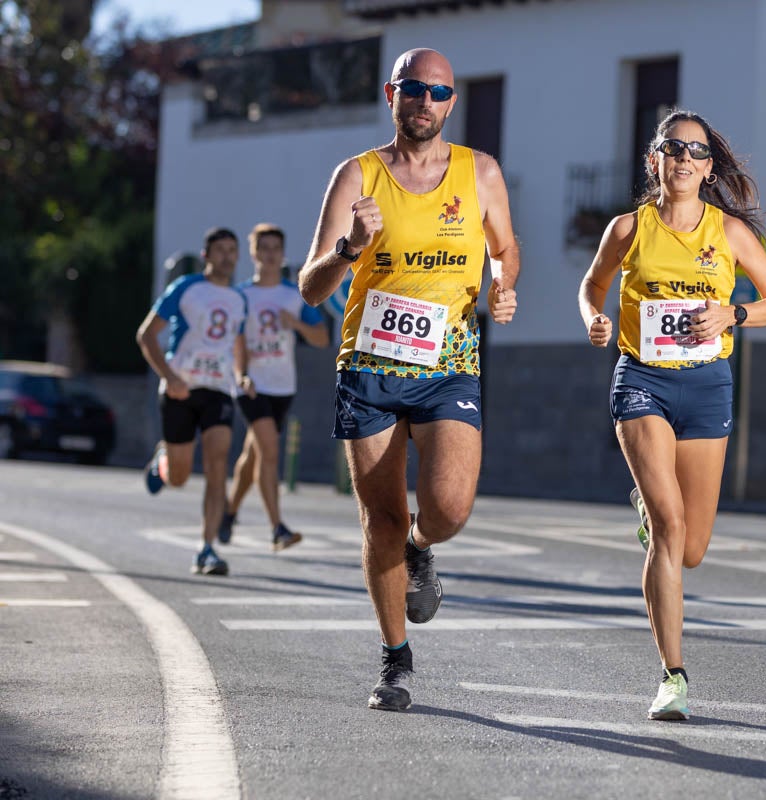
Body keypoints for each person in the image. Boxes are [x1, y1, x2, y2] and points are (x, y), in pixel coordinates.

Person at [298, 47, 519, 712]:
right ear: (391, 94)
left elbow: (505, 248)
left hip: (447, 364)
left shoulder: (479, 172)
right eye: (414, 89)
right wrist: (349, 249)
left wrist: (503, 284)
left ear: (452, 102)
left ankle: (422, 548)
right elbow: (311, 287)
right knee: (382, 518)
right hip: (369, 365)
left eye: (438, 92)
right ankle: (395, 658)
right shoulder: (357, 175)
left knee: (448, 509)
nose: (426, 101)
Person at [578, 109, 766, 720]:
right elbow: (592, 286)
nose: (684, 159)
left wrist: (734, 314)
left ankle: (650, 512)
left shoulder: (730, 233)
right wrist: (594, 319)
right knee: (670, 528)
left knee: (692, 548)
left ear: (708, 169)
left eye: (697, 152)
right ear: (656, 161)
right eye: (673, 148)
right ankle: (672, 676)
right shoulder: (628, 228)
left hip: (706, 388)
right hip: (641, 380)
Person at [136, 227, 249, 576]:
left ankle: (207, 549)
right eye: (220, 250)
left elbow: (237, 344)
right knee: (180, 478)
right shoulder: (185, 288)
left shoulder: (239, 299)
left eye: (232, 250)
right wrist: (169, 377)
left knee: (217, 466)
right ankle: (164, 460)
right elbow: (146, 335)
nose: (227, 257)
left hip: (219, 391)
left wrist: (242, 374)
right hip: (180, 390)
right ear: (206, 255)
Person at [219, 223, 329, 551]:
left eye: (275, 249)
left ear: (282, 254)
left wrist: (295, 324)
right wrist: (241, 374)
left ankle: (228, 512)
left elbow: (322, 339)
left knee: (253, 453)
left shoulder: (294, 295)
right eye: (263, 248)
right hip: (250, 385)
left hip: (283, 386)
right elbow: (235, 341)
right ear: (253, 253)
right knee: (269, 451)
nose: (269, 255)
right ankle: (277, 528)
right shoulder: (240, 295)